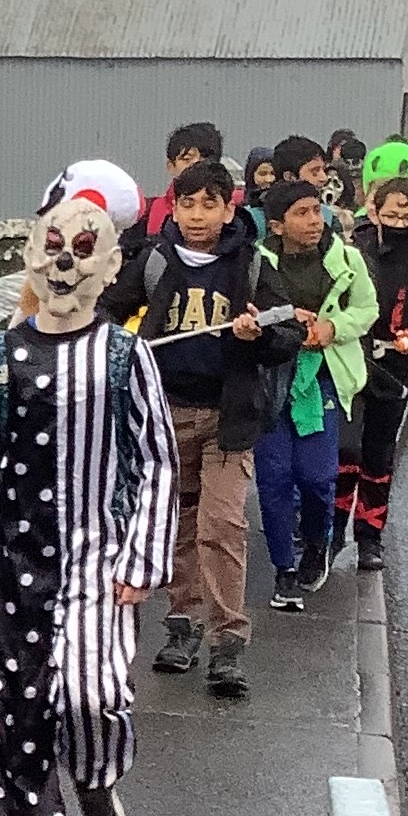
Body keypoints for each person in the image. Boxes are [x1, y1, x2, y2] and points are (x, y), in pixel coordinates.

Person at [0, 185, 178, 816]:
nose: (63, 264)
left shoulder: (125, 358)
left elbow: (157, 459)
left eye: (82, 251)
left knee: (88, 694)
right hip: (13, 562)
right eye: (51, 248)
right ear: (28, 256)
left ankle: (95, 779)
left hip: (98, 561)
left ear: (110, 267)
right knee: (14, 701)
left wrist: (143, 555)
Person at [100, 156, 293, 702]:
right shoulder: (155, 260)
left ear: (229, 208)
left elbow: (287, 336)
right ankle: (182, 625)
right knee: (179, 525)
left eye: (210, 204)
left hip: (228, 419)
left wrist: (258, 334)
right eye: (187, 204)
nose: (197, 215)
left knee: (223, 524)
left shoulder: (252, 266)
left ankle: (227, 641)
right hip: (165, 415)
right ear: (174, 207)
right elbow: (108, 311)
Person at [255, 181, 375, 609]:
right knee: (274, 479)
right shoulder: (256, 264)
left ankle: (317, 543)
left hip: (324, 377)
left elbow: (367, 309)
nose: (314, 220)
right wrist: (281, 325)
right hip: (270, 378)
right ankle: (284, 570)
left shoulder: (347, 259)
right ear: (277, 225)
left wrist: (332, 328)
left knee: (317, 477)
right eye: (301, 213)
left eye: (316, 210)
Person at [338, 174, 408, 570]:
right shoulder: (354, 250)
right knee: (345, 448)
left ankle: (370, 537)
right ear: (374, 212)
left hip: (395, 365)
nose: (400, 223)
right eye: (391, 215)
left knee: (378, 453)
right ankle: (330, 531)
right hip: (351, 360)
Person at [141, 122, 227, 237]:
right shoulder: (149, 212)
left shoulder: (235, 208)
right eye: (187, 159)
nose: (195, 164)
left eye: (204, 158)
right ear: (171, 166)